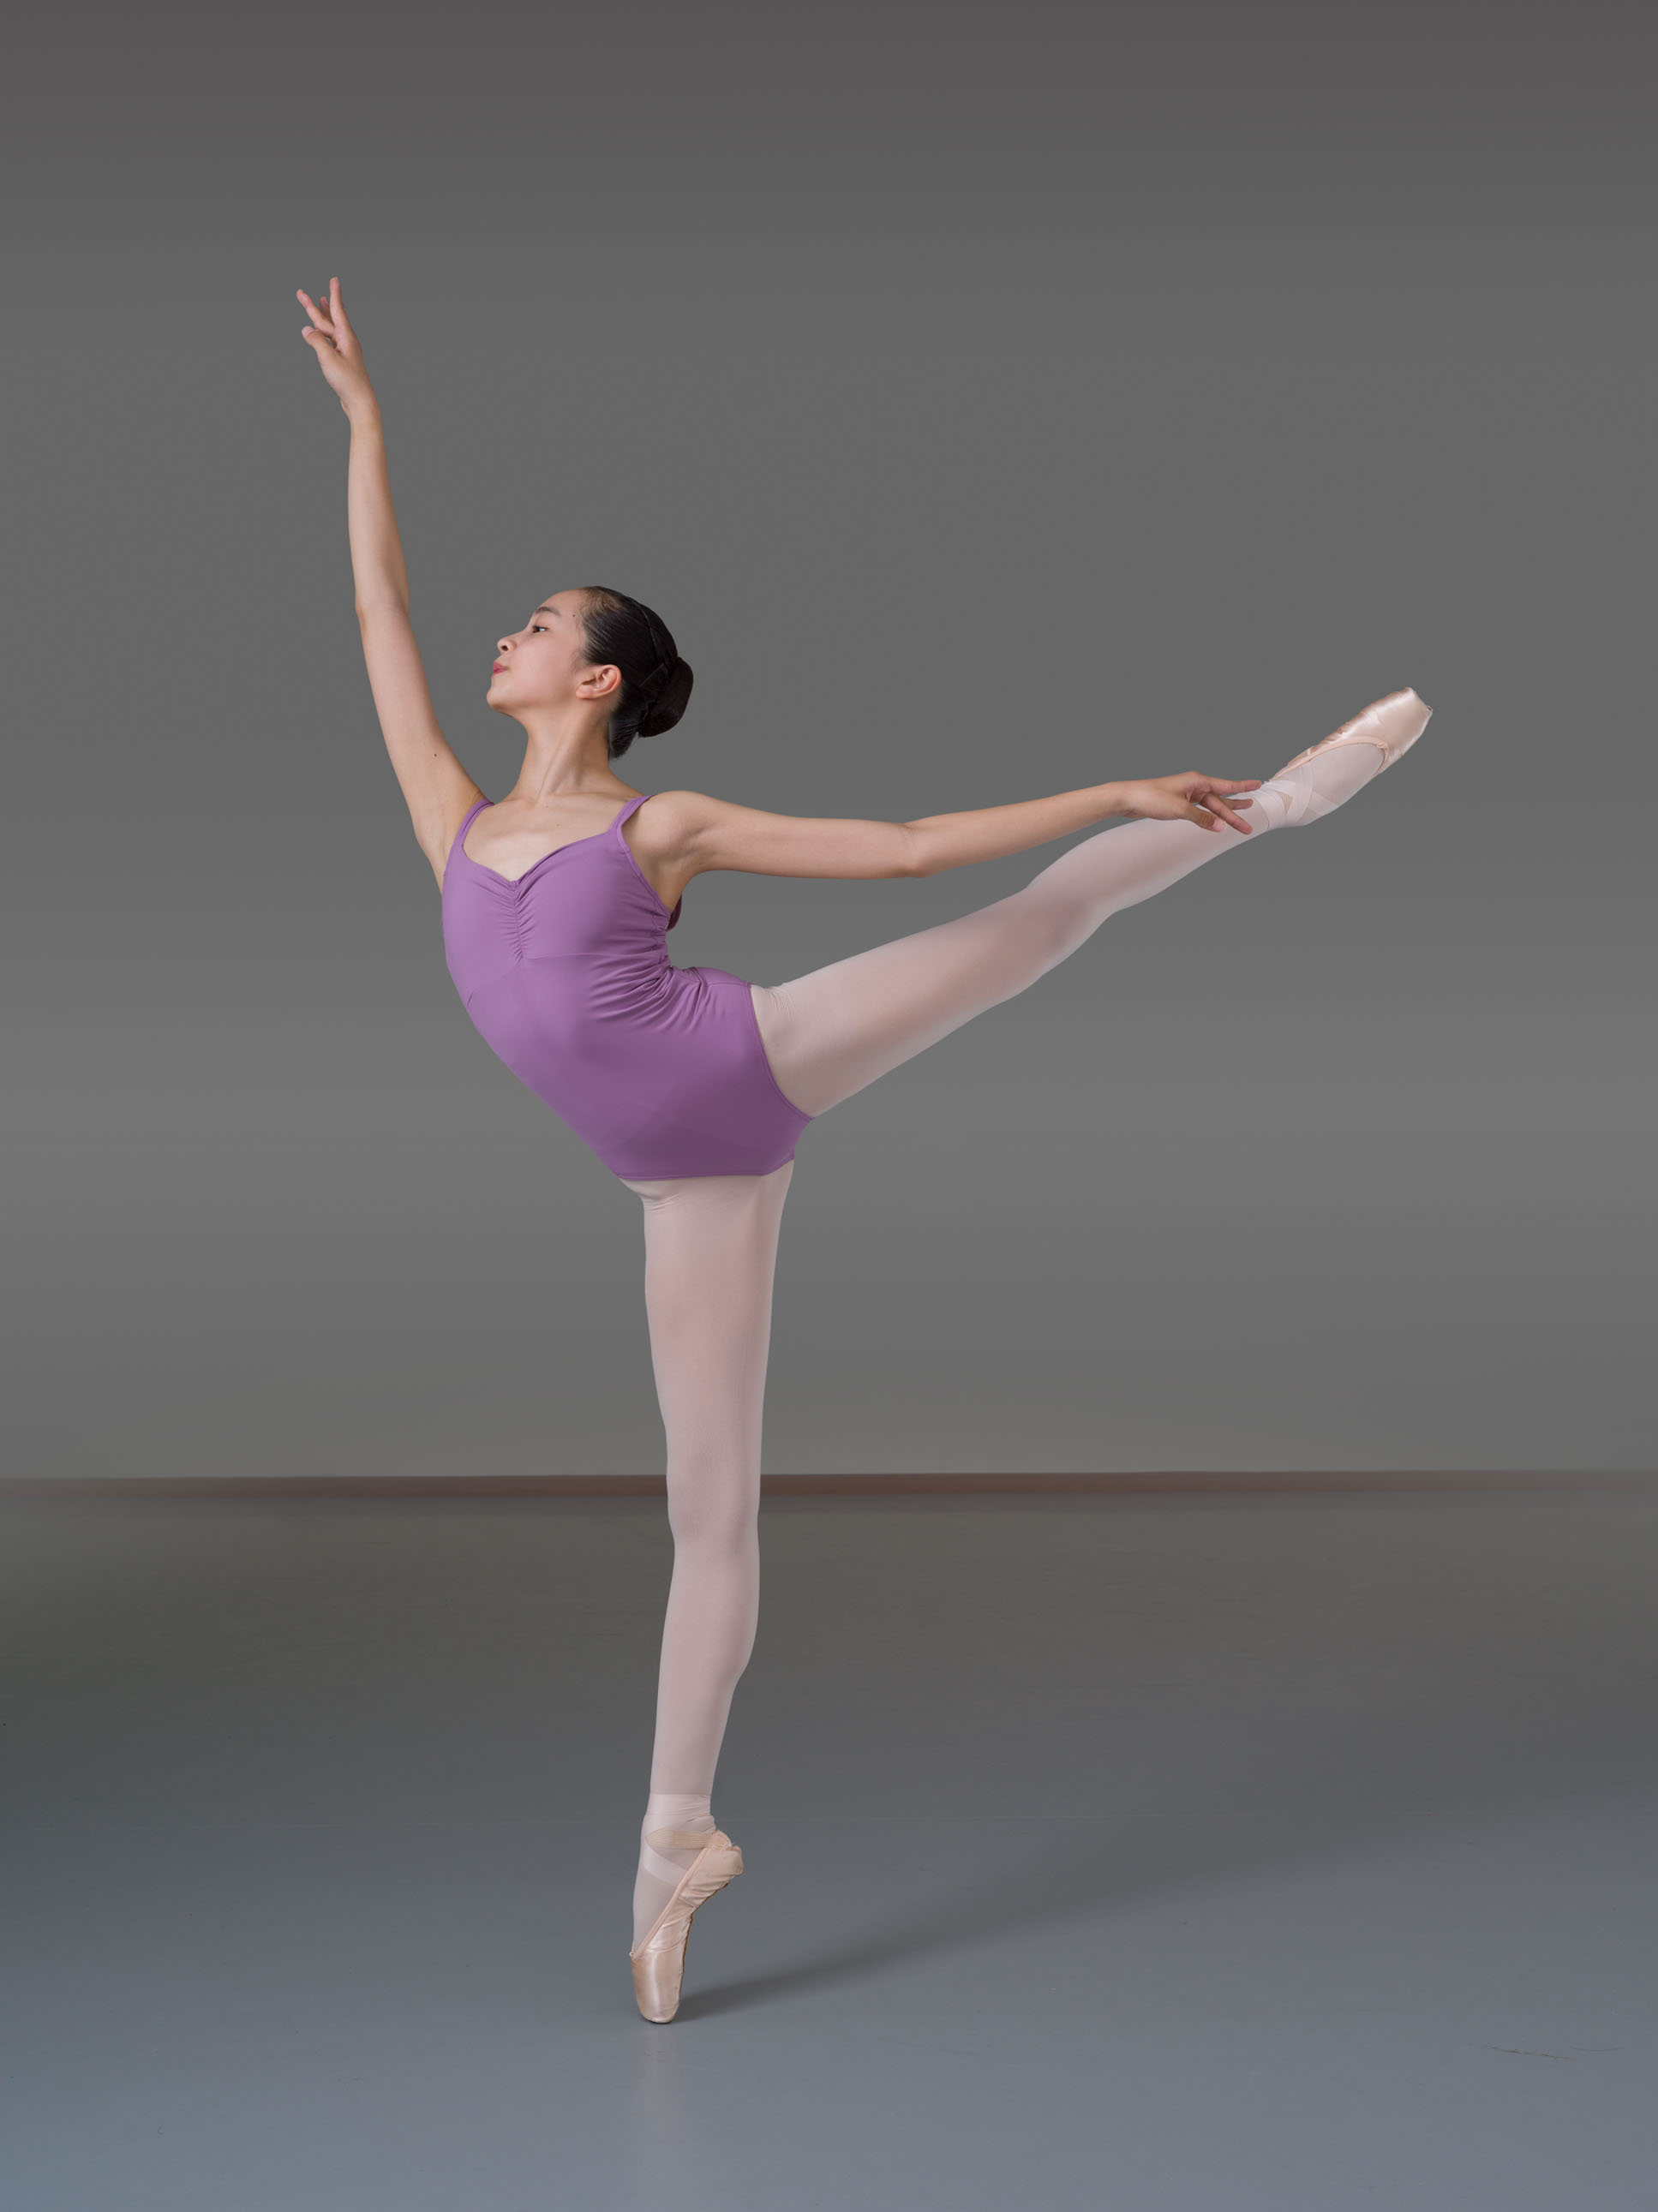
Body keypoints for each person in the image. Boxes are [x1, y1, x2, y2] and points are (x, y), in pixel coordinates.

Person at [299, 278, 1433, 2023]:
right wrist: (368, 421)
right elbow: (375, 604)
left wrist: (1109, 788)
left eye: (533, 624)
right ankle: (675, 1841)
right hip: (680, 1182)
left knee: (1032, 926)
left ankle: (1263, 805)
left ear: (595, 676)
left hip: (748, 1056)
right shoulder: (452, 816)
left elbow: (901, 846)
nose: (496, 638)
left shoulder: (657, 824)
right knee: (708, 1512)